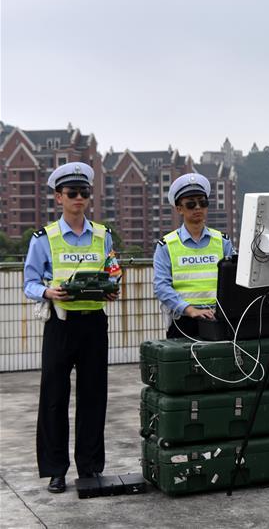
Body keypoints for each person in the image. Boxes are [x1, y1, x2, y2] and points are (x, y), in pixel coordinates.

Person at [23, 162, 119, 494]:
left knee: (94, 398)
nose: (79, 198)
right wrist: (48, 291)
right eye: (72, 193)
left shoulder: (102, 235)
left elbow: (112, 269)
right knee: (54, 398)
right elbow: (29, 282)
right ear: (58, 198)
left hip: (93, 323)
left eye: (84, 193)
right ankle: (55, 470)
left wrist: (112, 286)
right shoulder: (44, 238)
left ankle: (90, 467)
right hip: (60, 324)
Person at [153, 173, 233, 339]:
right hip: (183, 322)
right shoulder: (166, 246)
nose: (198, 207)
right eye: (191, 204)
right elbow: (161, 286)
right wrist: (190, 310)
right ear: (179, 209)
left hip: (218, 319)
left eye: (202, 202)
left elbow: (234, 280)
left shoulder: (223, 242)